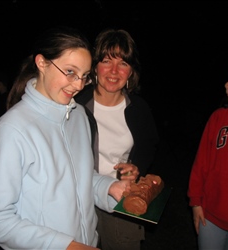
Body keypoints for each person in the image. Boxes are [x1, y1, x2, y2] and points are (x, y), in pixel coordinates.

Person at [0, 26, 139, 250]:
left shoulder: (79, 116)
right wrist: (66, 246)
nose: (78, 85)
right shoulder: (14, 128)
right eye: (70, 72)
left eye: (84, 76)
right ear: (42, 63)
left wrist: (110, 188)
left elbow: (80, 178)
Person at [75, 28, 159, 250]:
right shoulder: (75, 105)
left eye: (123, 63)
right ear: (94, 66)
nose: (114, 71)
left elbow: (148, 144)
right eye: (106, 61)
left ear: (131, 71)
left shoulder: (139, 108)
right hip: (78, 198)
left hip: (120, 199)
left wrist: (136, 166)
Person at [187, 58, 228, 250]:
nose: (226, 84)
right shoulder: (219, 118)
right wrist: (196, 203)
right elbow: (201, 163)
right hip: (211, 216)